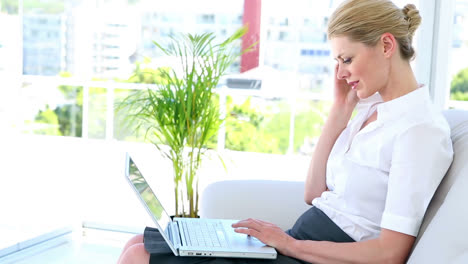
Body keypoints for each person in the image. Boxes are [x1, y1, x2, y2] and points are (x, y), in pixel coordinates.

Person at [117, 0, 454, 263]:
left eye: (346, 59)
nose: (339, 73)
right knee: (137, 243)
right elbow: (313, 194)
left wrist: (290, 245)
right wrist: (339, 111)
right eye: (337, 61)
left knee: (138, 256)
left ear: (385, 45)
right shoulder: (370, 107)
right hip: (300, 243)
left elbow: (388, 254)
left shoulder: (420, 131)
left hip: (315, 256)